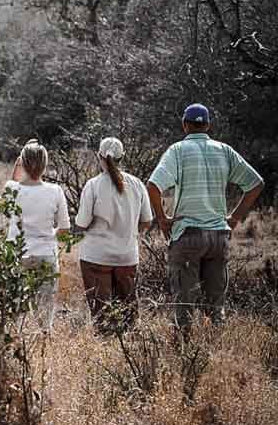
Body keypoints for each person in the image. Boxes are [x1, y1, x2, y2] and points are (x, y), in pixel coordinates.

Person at [147, 103, 263, 329]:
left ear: (184, 125)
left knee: (185, 303)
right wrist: (234, 218)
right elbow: (256, 184)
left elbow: (153, 186)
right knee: (215, 305)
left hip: (188, 236)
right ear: (208, 125)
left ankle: (185, 354)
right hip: (219, 238)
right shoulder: (224, 150)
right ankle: (215, 348)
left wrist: (163, 219)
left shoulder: (178, 150)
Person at [75, 137, 153, 332]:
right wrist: (131, 232)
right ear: (122, 157)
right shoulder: (136, 184)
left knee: (101, 317)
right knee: (128, 316)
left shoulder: (93, 185)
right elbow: (147, 221)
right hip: (127, 257)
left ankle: (105, 349)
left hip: (96, 257)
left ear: (100, 156)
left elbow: (81, 223)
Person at [5, 139, 70, 332]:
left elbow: (15, 181)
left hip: (17, 254)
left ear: (22, 163)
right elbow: (65, 228)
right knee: (45, 311)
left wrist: (19, 162)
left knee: (15, 309)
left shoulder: (12, 188)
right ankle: (44, 343)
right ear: (45, 165)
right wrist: (50, 236)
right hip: (46, 254)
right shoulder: (55, 191)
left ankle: (15, 341)